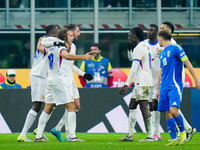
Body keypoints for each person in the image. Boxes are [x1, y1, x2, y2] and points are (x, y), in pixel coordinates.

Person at [34, 28, 93, 142]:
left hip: (51, 80)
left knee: (48, 108)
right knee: (71, 107)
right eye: (70, 35)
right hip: (60, 81)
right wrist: (83, 57)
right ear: (64, 37)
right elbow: (65, 56)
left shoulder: (51, 46)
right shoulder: (60, 47)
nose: (73, 37)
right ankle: (71, 136)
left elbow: (43, 43)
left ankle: (39, 135)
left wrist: (83, 73)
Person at [157, 30, 200, 146]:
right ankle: (175, 138)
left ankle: (184, 133)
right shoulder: (161, 53)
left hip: (174, 85)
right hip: (164, 87)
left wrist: (196, 79)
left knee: (173, 110)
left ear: (161, 38)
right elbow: (161, 72)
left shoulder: (176, 48)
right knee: (167, 112)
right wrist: (157, 89)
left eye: (158, 38)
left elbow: (187, 63)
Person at [17, 25, 59, 142]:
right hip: (38, 75)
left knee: (52, 103)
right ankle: (23, 134)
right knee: (37, 104)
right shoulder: (44, 40)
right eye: (57, 29)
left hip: (45, 76)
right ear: (53, 31)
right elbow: (41, 47)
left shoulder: (50, 41)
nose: (58, 31)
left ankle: (39, 130)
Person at [119, 27, 154, 142]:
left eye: (130, 35)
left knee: (144, 106)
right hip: (141, 80)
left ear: (135, 36)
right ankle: (129, 135)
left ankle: (151, 136)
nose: (128, 37)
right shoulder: (143, 46)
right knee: (132, 106)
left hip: (142, 81)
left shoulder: (139, 48)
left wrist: (126, 84)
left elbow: (134, 67)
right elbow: (133, 60)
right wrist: (130, 50)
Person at [145, 24, 162, 141]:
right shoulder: (144, 44)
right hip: (147, 79)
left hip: (158, 80)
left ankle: (157, 133)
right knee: (150, 106)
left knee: (156, 106)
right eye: (148, 30)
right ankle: (153, 133)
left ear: (157, 32)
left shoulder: (161, 45)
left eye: (152, 30)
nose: (149, 32)